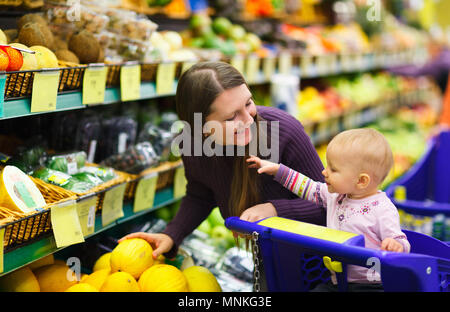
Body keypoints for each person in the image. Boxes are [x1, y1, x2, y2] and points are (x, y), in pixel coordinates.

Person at [118, 62, 326, 289]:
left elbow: (329, 205)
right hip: (267, 257)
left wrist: (275, 211)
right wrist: (172, 234)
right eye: (231, 117)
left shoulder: (284, 132)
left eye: (248, 103)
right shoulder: (192, 144)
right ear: (202, 126)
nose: (248, 119)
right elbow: (201, 193)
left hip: (318, 261)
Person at [246, 128, 411, 292]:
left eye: (333, 169)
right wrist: (278, 170)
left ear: (361, 181)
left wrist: (395, 245)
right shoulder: (335, 196)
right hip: (337, 281)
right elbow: (307, 187)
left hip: (371, 284)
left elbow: (400, 240)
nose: (324, 172)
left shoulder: (382, 209)